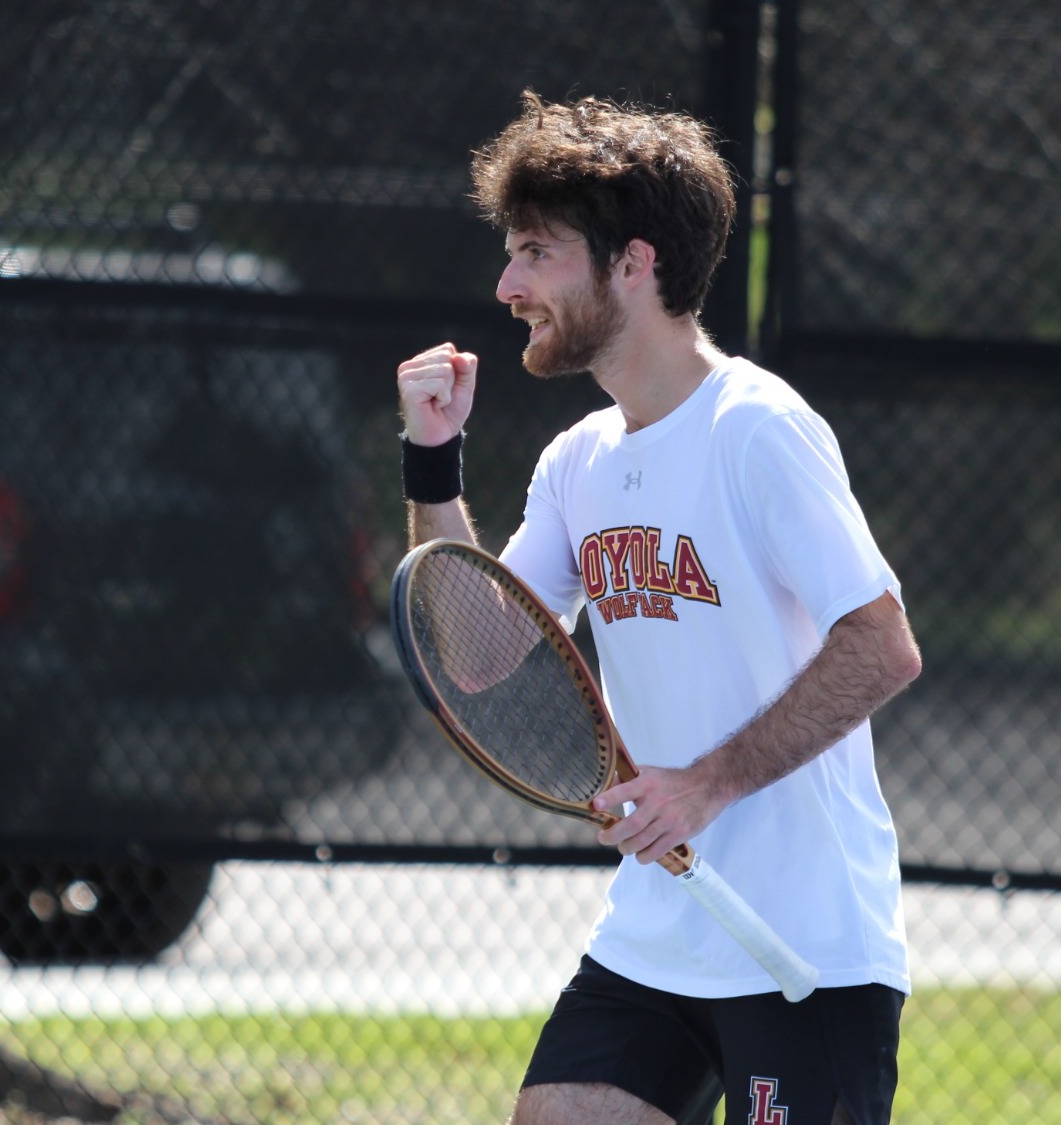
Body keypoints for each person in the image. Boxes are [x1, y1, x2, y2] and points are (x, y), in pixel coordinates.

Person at [395, 92, 923, 1125]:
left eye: (536, 252)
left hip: (804, 945)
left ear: (631, 264)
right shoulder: (577, 462)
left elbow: (882, 646)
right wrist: (432, 461)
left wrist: (704, 786)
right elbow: (476, 651)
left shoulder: (756, 428)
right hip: (657, 933)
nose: (507, 287)